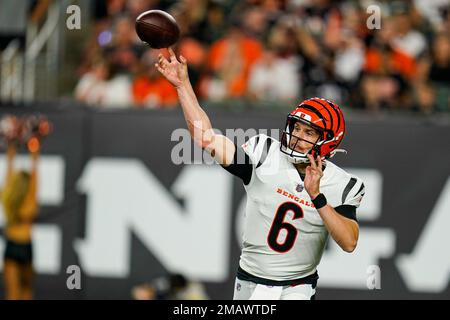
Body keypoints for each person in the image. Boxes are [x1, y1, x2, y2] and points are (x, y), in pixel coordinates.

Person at [155, 48, 365, 300]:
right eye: (296, 127)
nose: (298, 137)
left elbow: (349, 243)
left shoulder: (342, 184)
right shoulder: (264, 153)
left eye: (309, 133)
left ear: (328, 141)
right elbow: (205, 138)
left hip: (297, 286)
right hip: (249, 281)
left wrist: (317, 197)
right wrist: (183, 86)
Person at [1, 116, 41, 300]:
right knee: (25, 292)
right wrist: (34, 148)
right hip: (25, 245)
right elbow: (34, 176)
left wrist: (11, 143)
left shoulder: (9, 197)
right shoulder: (29, 200)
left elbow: (10, 170)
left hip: (13, 246)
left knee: (14, 293)